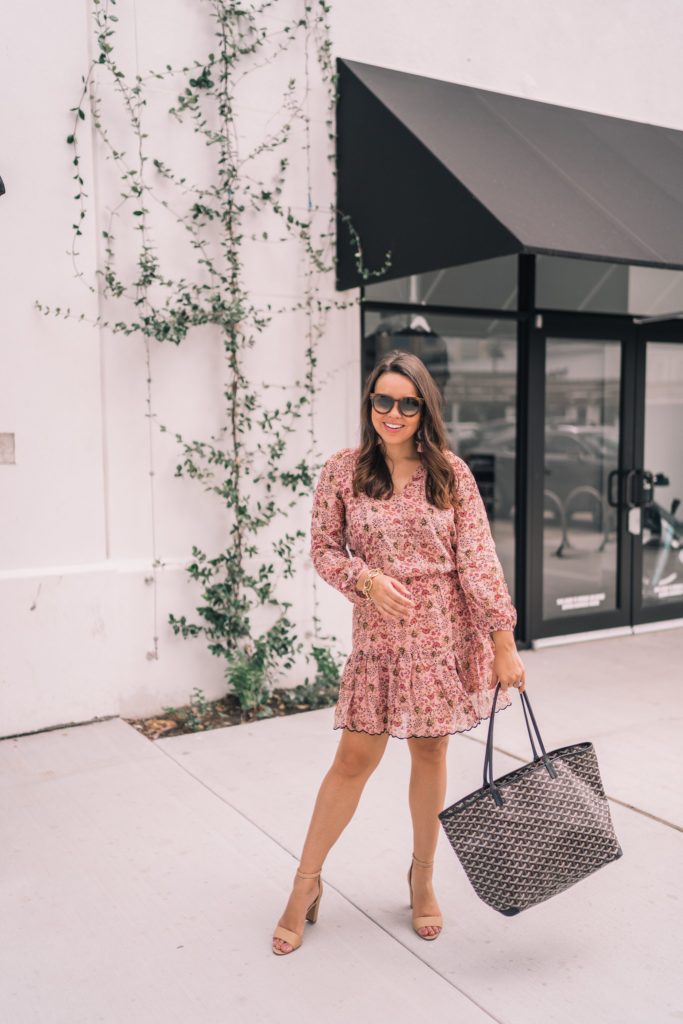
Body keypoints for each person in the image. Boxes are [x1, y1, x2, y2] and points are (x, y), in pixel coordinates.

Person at [272, 350, 526, 955]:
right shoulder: (344, 471)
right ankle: (305, 882)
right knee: (354, 758)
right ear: (369, 404)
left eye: (407, 403)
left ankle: (422, 877)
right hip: (380, 638)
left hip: (442, 635)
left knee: (431, 752)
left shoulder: (450, 473)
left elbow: (478, 559)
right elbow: (324, 549)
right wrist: (366, 580)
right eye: (382, 400)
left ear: (424, 409)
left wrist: (503, 643)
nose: (393, 412)